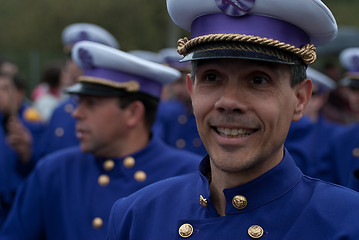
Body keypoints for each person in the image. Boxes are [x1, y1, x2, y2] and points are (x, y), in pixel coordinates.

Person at [107, 0, 359, 239]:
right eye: (212, 77)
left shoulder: (346, 223)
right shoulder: (137, 216)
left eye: (258, 80)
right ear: (192, 91)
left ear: (300, 98)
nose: (228, 102)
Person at [0, 41, 202, 239]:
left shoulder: (191, 176)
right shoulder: (52, 172)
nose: (76, 113)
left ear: (133, 113)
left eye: (91, 104)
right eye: (79, 102)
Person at [38, 23, 120, 157]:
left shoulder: (118, 110)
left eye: (84, 56)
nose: (76, 64)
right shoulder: (59, 112)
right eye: (72, 56)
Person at [0, 73, 45, 226]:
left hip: (20, 204)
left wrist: (26, 153)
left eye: (6, 89)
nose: (2, 94)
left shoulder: (30, 122)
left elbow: (40, 163)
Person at [153, 48, 207, 156]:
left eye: (182, 82)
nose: (177, 90)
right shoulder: (166, 112)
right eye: (174, 84)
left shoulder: (210, 112)